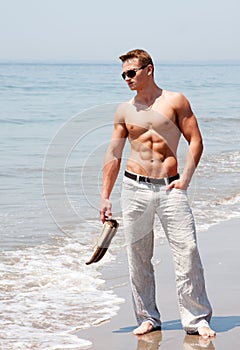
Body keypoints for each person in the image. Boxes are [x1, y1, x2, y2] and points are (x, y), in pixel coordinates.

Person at [100, 49, 216, 339]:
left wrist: (186, 178)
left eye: (131, 72)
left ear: (148, 70)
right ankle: (148, 316)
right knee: (138, 256)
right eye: (123, 74)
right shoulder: (124, 110)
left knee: (187, 251)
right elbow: (114, 153)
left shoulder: (175, 101)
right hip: (133, 187)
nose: (126, 78)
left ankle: (197, 319)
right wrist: (105, 196)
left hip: (170, 186)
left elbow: (196, 141)